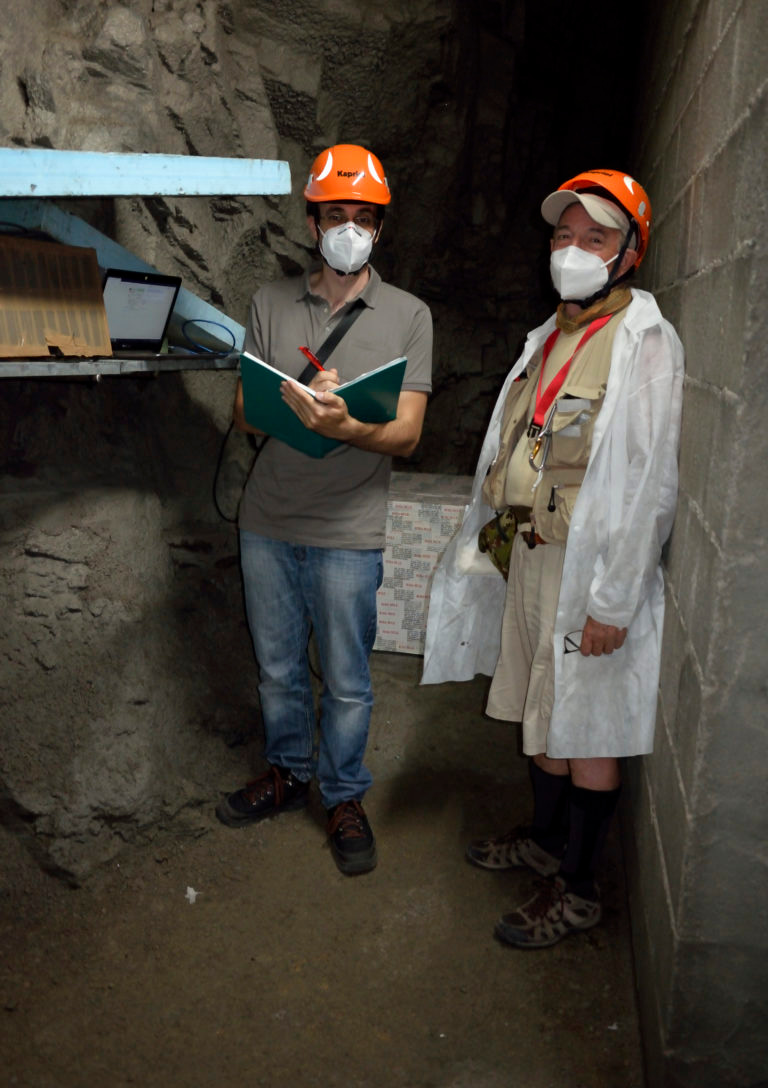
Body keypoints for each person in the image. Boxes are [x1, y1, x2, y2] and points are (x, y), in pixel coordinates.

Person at [422, 169, 684, 945]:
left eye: (595, 238)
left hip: (590, 575)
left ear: (629, 255)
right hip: (534, 558)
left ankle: (578, 888)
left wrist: (614, 602)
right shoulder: (553, 334)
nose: (572, 250)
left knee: (586, 732)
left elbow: (648, 483)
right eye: (563, 235)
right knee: (540, 717)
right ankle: (542, 841)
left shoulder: (645, 342)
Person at [216, 143, 432, 875]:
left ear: (380, 228)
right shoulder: (270, 302)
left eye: (363, 217)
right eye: (335, 214)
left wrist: (347, 426)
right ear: (312, 223)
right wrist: (298, 404)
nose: (349, 228)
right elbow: (246, 408)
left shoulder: (408, 314)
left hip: (349, 531)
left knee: (345, 679)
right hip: (269, 521)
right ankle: (288, 775)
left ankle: (342, 795)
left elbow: (405, 432)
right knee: (278, 669)